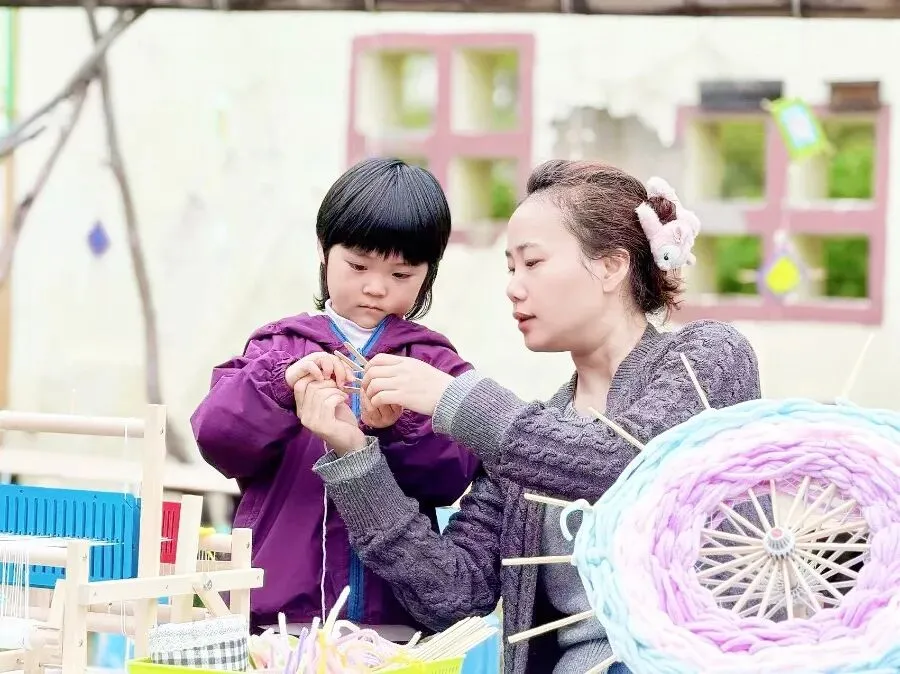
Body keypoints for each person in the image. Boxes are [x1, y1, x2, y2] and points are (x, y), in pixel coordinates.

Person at [297, 160, 763, 673]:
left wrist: (454, 398)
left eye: (532, 263)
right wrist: (354, 456)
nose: (514, 287)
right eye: (510, 268)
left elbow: (630, 463)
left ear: (612, 266)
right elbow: (453, 593)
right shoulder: (526, 439)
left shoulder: (709, 356)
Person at [190, 157, 480, 638]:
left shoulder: (434, 364)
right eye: (358, 265)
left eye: (401, 274)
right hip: (277, 619)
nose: (375, 287)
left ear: (428, 274)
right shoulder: (278, 347)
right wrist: (279, 385)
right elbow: (217, 438)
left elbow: (452, 476)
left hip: (392, 624)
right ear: (324, 251)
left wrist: (397, 429)